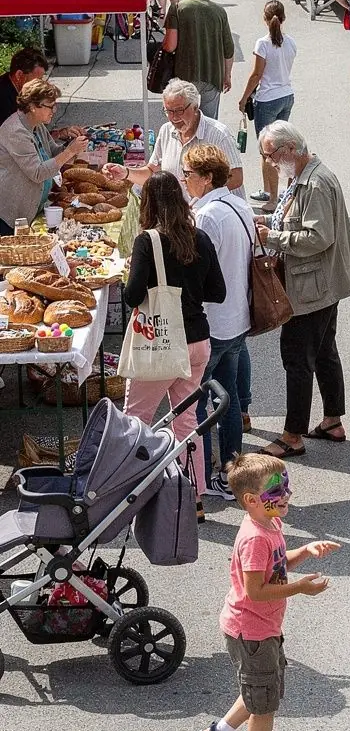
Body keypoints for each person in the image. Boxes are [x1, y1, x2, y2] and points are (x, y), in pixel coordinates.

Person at [198, 452, 339, 731]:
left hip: (264, 629)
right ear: (251, 500)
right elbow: (255, 591)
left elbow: (276, 565)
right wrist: (299, 589)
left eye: (286, 485)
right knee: (264, 705)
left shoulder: (271, 522)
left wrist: (304, 552)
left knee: (262, 691)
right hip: (252, 631)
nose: (286, 494)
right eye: (278, 489)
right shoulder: (255, 538)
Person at [256, 122, 350, 457]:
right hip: (321, 283)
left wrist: (271, 237)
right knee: (324, 350)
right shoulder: (305, 175)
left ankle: (292, 435)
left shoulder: (314, 183)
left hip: (312, 286)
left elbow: (318, 237)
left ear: (289, 149)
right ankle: (333, 419)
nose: (271, 163)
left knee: (297, 357)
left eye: (271, 156)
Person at [122, 171, 226, 507]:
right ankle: (192, 496)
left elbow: (132, 295)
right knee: (187, 421)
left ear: (148, 204)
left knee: (135, 420)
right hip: (197, 342)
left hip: (160, 345)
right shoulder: (200, 238)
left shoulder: (147, 242)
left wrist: (135, 275)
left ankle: (130, 494)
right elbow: (218, 292)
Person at [184, 143, 254, 501]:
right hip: (237, 318)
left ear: (207, 178)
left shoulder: (208, 216)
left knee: (197, 402)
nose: (185, 180)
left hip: (213, 323)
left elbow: (198, 269)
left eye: (189, 174)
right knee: (230, 402)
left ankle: (200, 474)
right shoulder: (239, 205)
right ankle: (232, 473)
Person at [103, 79, 244, 196]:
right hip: (181, 218)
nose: (174, 117)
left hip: (214, 217)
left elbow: (236, 178)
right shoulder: (166, 131)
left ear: (195, 107)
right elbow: (152, 172)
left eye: (179, 110)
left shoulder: (219, 135)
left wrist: (200, 200)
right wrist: (125, 172)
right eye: (168, 111)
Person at [0, 79, 88, 233]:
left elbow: (53, 153)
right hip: (13, 214)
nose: (54, 111)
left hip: (35, 206)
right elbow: (38, 173)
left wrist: (71, 144)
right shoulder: (15, 131)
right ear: (33, 106)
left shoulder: (37, 125)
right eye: (50, 106)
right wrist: (70, 151)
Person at [238, 0, 297, 210]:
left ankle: (272, 198)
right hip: (286, 96)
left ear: (265, 19)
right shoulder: (291, 42)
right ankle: (274, 192)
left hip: (267, 99)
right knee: (280, 148)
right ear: (283, 18)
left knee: (267, 151)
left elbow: (256, 75)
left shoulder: (262, 44)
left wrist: (244, 97)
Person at [162, 0, 235, 118]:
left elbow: (170, 46)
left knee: (184, 121)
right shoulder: (219, 11)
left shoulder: (177, 8)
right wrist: (227, 75)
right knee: (209, 124)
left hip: (185, 74)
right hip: (213, 75)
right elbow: (229, 49)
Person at [0, 47, 47, 127]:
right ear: (19, 75)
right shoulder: (3, 100)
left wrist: (58, 134)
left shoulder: (16, 88)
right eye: (36, 80)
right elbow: (15, 137)